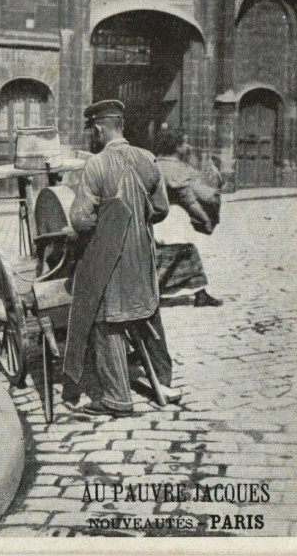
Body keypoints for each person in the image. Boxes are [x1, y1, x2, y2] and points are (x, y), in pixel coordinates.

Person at [63, 99, 181, 418]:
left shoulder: (96, 166)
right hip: (143, 255)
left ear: (101, 129)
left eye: (94, 131)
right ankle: (164, 382)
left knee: (104, 317)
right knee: (146, 310)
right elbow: (161, 210)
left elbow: (80, 220)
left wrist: (108, 223)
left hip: (110, 256)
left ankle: (116, 398)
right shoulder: (148, 159)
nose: (94, 137)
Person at [155, 128, 223, 307]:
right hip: (171, 222)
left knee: (189, 254)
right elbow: (189, 200)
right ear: (176, 147)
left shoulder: (154, 163)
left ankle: (201, 293)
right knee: (167, 258)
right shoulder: (175, 169)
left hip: (155, 219)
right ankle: (149, 294)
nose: (187, 146)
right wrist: (204, 219)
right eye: (184, 143)